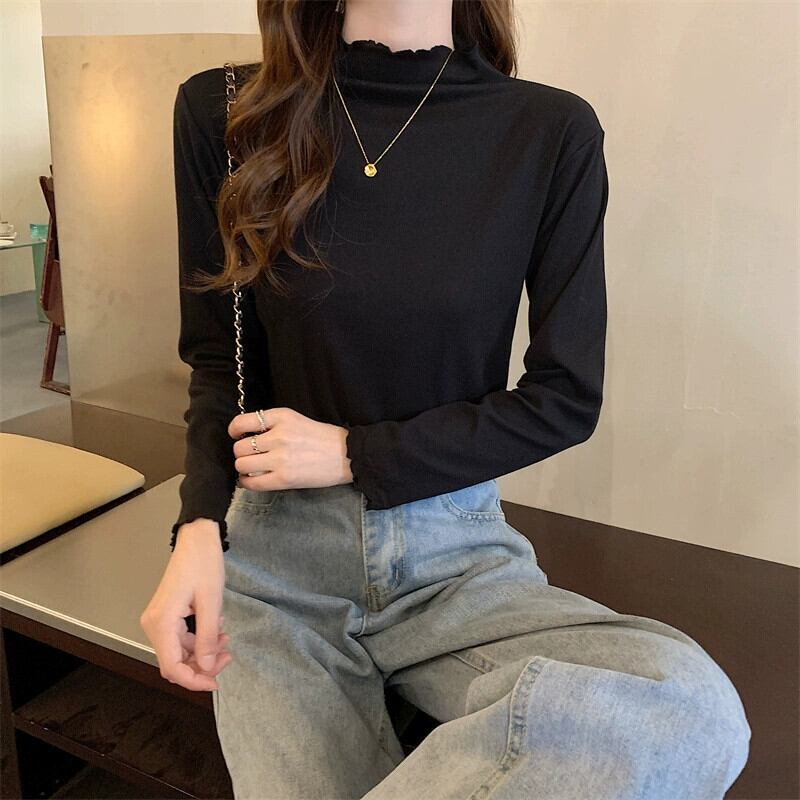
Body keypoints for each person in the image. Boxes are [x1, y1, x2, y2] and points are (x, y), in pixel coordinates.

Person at [140, 1, 751, 797]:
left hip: (455, 558)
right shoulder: (225, 111)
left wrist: (355, 453)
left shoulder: (548, 131)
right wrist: (196, 529)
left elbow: (565, 398)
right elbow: (220, 363)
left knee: (693, 710)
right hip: (277, 565)